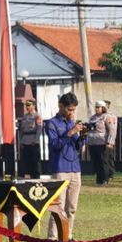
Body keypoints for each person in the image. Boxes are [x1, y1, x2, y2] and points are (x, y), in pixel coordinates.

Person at [45, 92, 87, 234]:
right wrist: (70, 132)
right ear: (60, 106)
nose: (71, 112)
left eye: (74, 110)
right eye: (69, 109)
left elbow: (76, 146)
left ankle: (67, 235)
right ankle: (53, 236)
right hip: (60, 168)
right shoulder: (52, 123)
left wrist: (82, 136)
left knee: (72, 207)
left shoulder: (72, 123)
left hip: (75, 168)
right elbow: (55, 144)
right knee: (59, 205)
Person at [86, 100, 118, 186]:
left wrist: (110, 142)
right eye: (96, 107)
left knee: (103, 162)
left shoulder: (107, 117)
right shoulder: (92, 118)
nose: (96, 109)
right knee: (96, 162)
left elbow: (111, 130)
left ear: (103, 108)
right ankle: (99, 179)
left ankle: (105, 178)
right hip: (93, 143)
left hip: (102, 142)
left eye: (98, 107)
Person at [16, 97, 42, 177]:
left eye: (29, 105)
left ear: (34, 106)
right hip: (25, 140)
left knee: (34, 161)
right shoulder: (25, 117)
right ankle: (27, 175)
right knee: (25, 161)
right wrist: (20, 141)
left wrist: (36, 140)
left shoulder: (37, 116)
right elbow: (21, 130)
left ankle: (36, 176)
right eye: (26, 105)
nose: (27, 107)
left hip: (33, 140)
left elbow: (39, 129)